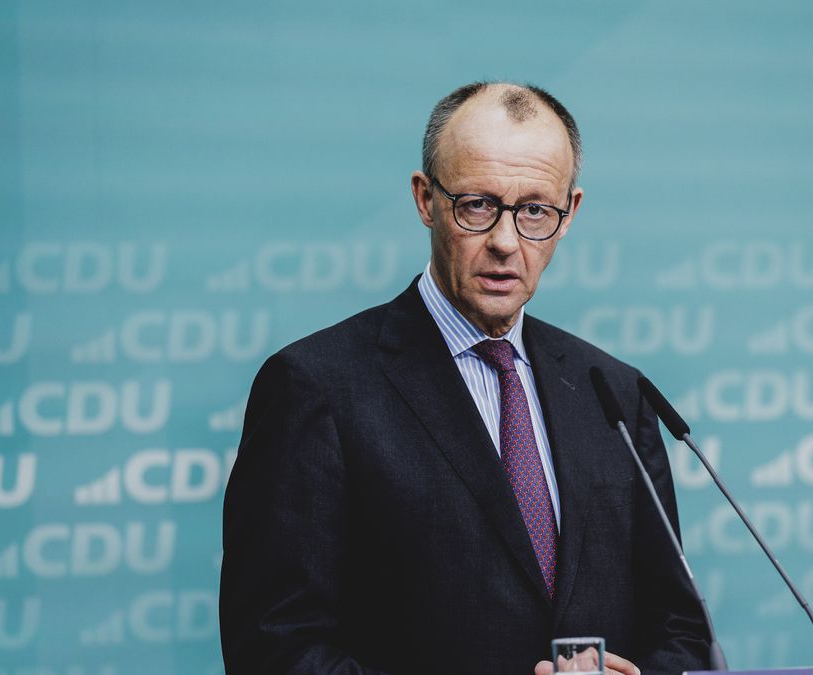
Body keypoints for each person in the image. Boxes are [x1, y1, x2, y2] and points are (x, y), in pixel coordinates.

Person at [219, 81, 710, 675]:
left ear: (570, 213)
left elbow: (680, 628)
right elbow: (277, 645)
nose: (506, 241)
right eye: (477, 204)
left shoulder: (614, 391)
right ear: (426, 200)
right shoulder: (317, 387)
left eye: (535, 210)